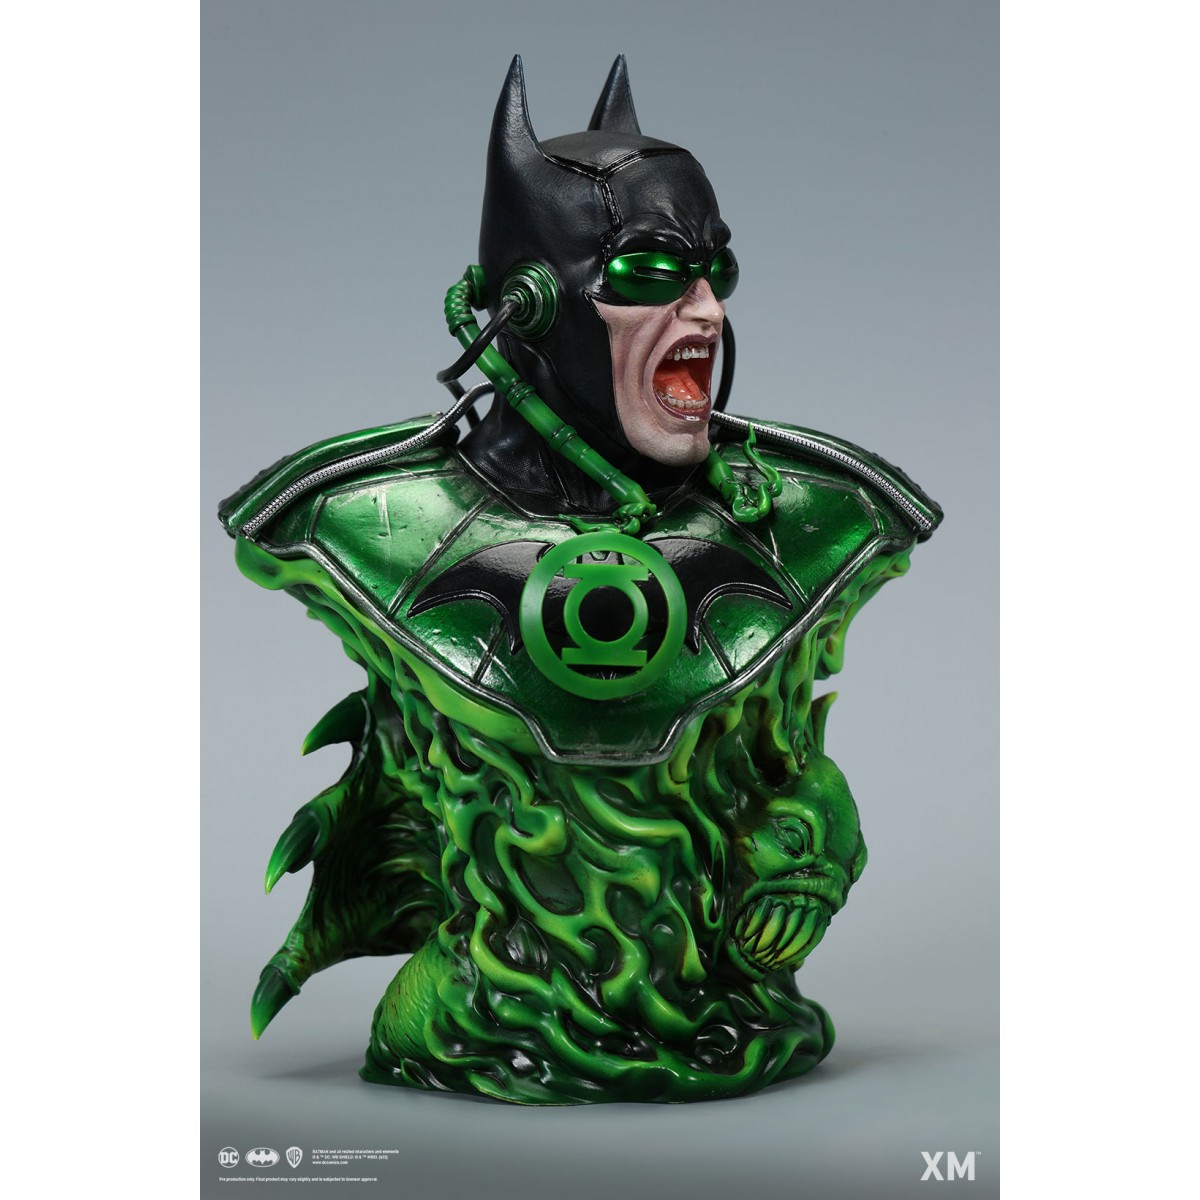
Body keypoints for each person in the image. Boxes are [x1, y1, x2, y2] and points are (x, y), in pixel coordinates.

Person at [219, 55, 941, 1105]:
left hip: (726, 1013)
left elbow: (794, 767)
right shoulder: (368, 523)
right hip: (478, 1015)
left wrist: (813, 860)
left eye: (716, 271)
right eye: (650, 273)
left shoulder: (807, 512)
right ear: (525, 304)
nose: (706, 311)